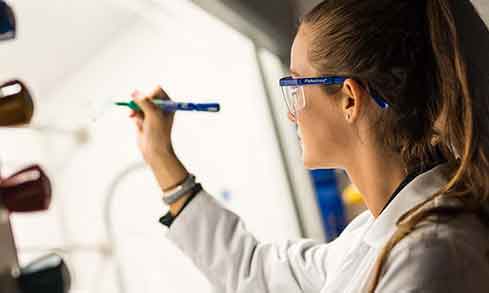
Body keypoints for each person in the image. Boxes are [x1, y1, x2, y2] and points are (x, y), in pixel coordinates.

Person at [129, 0, 489, 292]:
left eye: (296, 88)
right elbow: (256, 272)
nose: (292, 115)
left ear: (349, 99)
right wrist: (161, 158)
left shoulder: (432, 255)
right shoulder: (372, 237)